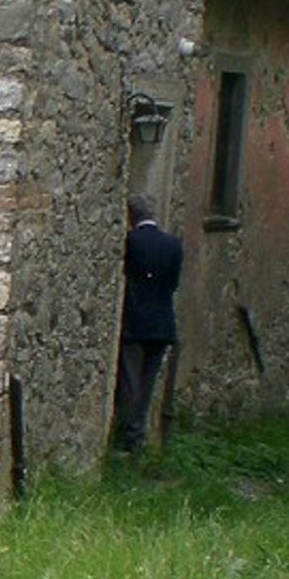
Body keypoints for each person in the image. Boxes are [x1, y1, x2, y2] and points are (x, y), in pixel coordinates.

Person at [113, 195, 183, 456]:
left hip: (135, 322)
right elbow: (173, 284)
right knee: (147, 382)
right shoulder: (173, 245)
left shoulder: (132, 242)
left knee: (130, 380)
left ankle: (129, 438)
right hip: (163, 324)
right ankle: (139, 433)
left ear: (131, 217)